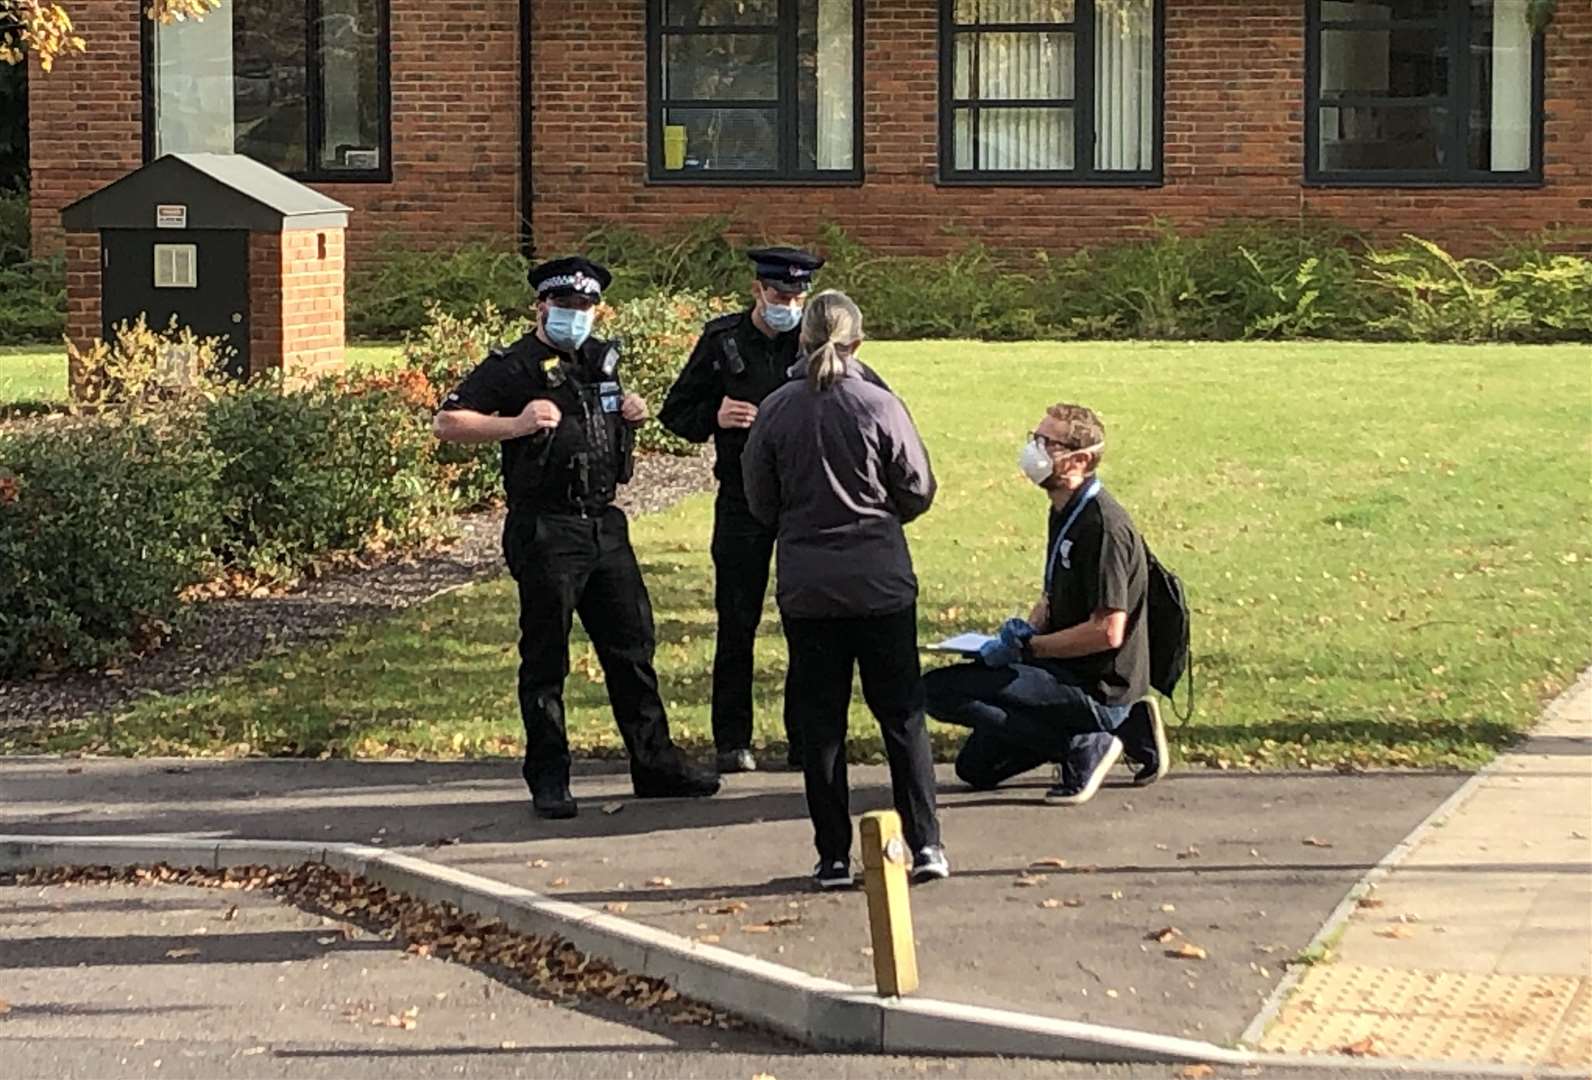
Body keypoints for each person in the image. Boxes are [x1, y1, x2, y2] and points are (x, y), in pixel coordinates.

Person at [433, 256, 720, 820]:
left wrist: (630, 414)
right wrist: (513, 425)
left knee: (632, 647)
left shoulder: (599, 360)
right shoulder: (512, 366)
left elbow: (604, 421)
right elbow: (448, 422)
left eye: (585, 308)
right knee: (546, 656)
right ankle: (549, 776)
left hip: (602, 521)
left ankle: (655, 765)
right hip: (545, 526)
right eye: (565, 308)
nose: (575, 317)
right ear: (542, 307)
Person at [741, 290, 948, 889]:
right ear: (857, 342)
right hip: (879, 577)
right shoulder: (880, 405)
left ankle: (832, 854)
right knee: (902, 716)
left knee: (822, 722)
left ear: (801, 339)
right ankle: (926, 842)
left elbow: (760, 500)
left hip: (809, 585)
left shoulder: (776, 409)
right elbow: (917, 487)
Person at [922, 403, 1168, 806]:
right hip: (1060, 670)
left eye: (1046, 443)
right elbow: (1053, 595)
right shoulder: (1064, 509)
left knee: (937, 691)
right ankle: (1129, 732)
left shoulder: (1103, 527)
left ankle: (1091, 740)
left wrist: (1030, 649)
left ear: (1080, 459)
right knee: (975, 769)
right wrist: (1021, 632)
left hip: (1099, 688)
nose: (1034, 450)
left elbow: (1107, 631)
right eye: (1034, 438)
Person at [658, 246, 826, 775]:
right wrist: (716, 413)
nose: (790, 305)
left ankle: (806, 737)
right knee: (738, 621)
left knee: (808, 620)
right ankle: (732, 740)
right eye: (780, 295)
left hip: (803, 499)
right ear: (757, 291)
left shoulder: (816, 342)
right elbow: (675, 414)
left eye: (799, 296)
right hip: (742, 499)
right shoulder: (723, 340)